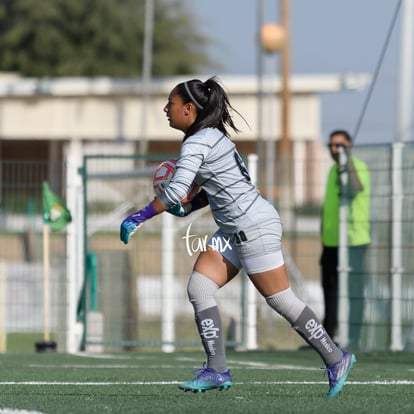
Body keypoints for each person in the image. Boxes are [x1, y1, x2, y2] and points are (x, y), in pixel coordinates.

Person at [120, 77, 356, 397]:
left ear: (189, 109)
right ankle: (217, 369)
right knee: (200, 287)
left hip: (253, 227)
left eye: (171, 104)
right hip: (234, 228)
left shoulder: (197, 143)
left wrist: (139, 217)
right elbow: (216, 190)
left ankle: (335, 357)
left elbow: (174, 189)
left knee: (281, 300)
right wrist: (188, 206)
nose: (166, 109)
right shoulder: (211, 138)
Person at [321, 130, 371, 349]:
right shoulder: (333, 169)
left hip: (354, 241)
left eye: (339, 145)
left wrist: (346, 160)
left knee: (354, 291)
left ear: (349, 145)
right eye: (332, 145)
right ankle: (328, 337)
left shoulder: (356, 166)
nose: (335, 149)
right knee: (330, 291)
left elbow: (356, 187)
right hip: (331, 241)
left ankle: (354, 338)